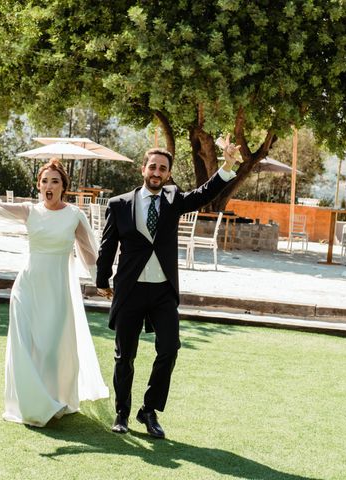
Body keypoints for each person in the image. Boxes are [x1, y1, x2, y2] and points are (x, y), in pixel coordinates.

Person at [95, 137, 240, 439]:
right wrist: (102, 279)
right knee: (125, 355)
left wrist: (227, 165)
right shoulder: (119, 204)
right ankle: (122, 411)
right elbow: (107, 247)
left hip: (162, 291)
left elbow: (205, 192)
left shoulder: (174, 200)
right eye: (153, 166)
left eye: (163, 168)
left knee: (170, 348)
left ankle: (149, 410)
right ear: (143, 169)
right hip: (131, 290)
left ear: (169, 174)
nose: (157, 172)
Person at [0, 159, 109, 427]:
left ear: (63, 187)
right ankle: (32, 406)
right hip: (27, 287)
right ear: (38, 185)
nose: (49, 185)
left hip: (57, 292)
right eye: (44, 181)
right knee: (23, 346)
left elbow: (89, 254)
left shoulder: (74, 215)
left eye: (55, 181)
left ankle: (53, 397)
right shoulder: (29, 211)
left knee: (51, 349)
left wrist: (101, 282)